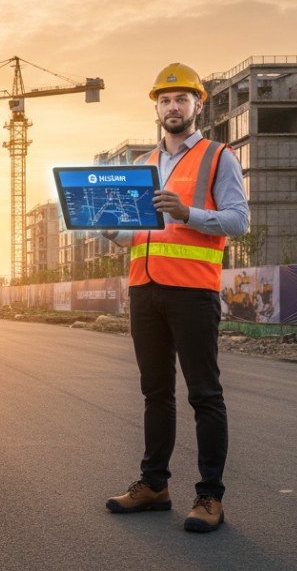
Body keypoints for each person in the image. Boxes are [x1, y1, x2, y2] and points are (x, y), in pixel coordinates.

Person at [102, 62, 248, 533]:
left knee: (204, 394)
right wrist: (112, 231)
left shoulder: (218, 156)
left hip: (192, 291)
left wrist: (188, 212)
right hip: (145, 291)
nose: (172, 107)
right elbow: (135, 234)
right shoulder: (143, 165)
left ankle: (209, 497)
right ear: (157, 108)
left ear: (197, 105)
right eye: (164, 100)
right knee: (155, 393)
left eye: (181, 99)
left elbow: (237, 221)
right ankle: (154, 485)